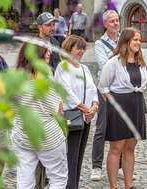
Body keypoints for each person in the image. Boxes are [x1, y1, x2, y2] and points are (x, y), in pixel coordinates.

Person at [13, 44, 67, 189]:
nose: (49, 52)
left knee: (24, 180)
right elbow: (56, 110)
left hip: (22, 134)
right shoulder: (45, 77)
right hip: (48, 136)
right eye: (45, 50)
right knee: (58, 178)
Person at [98, 27, 147, 189]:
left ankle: (128, 185)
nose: (138, 43)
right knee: (116, 148)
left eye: (139, 40)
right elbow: (103, 87)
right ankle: (114, 186)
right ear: (126, 41)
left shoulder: (140, 62)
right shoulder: (113, 62)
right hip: (119, 107)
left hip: (136, 106)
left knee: (131, 147)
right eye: (135, 40)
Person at [54, 35, 98, 189]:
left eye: (83, 48)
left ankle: (74, 185)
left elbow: (93, 90)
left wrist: (94, 107)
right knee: (70, 157)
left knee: (79, 157)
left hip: (85, 118)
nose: (81, 51)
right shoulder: (63, 66)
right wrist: (85, 108)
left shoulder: (84, 68)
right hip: (71, 117)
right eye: (78, 48)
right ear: (69, 48)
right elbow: (66, 91)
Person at [91, 9, 120, 181]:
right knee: (101, 129)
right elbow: (104, 64)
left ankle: (121, 165)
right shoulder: (100, 43)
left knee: (123, 129)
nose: (116, 24)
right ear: (105, 24)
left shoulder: (126, 37)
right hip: (105, 90)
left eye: (117, 20)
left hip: (123, 89)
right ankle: (96, 166)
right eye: (112, 21)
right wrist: (119, 50)